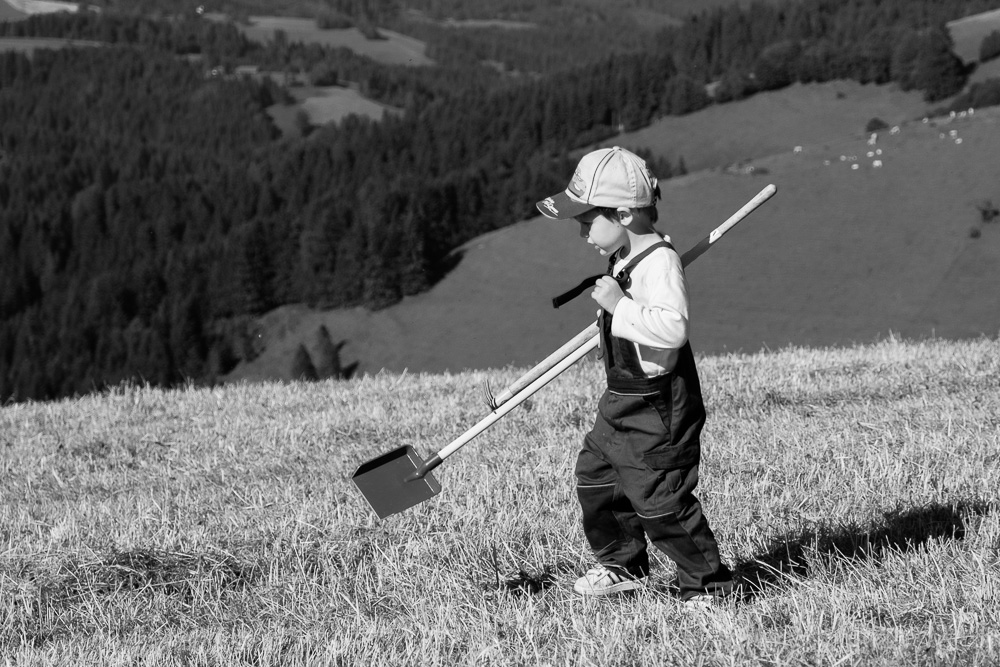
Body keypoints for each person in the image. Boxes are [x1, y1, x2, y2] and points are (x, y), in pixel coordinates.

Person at [536, 146, 734, 604]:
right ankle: (621, 566)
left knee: (660, 498)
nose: (582, 232)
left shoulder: (661, 264)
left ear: (624, 213)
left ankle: (707, 585)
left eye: (587, 221)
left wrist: (618, 307)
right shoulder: (625, 255)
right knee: (597, 479)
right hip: (622, 397)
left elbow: (672, 329)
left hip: (658, 405)